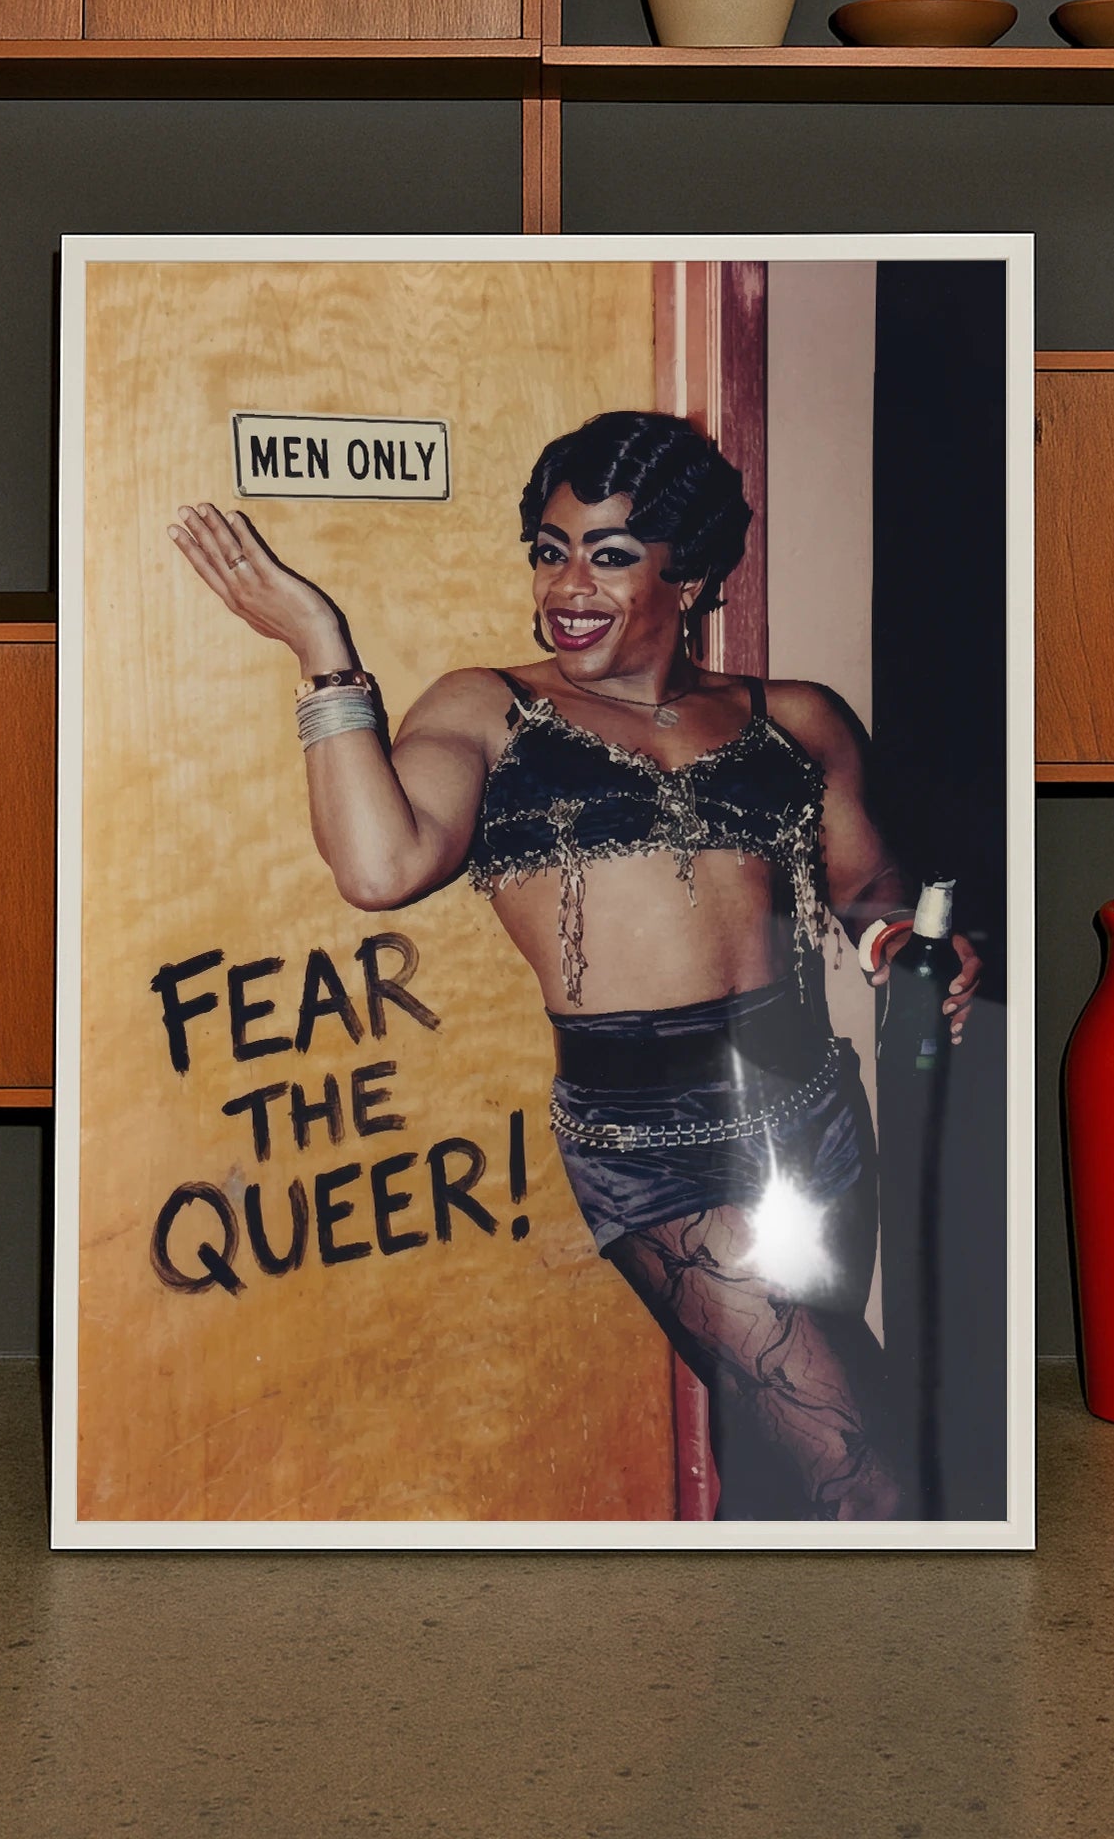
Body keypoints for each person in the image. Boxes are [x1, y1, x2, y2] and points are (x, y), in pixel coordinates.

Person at [168, 410, 981, 1521]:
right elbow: (379, 863)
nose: (567, 585)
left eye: (608, 554)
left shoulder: (793, 717)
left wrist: (900, 944)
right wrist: (320, 644)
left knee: (788, 1449)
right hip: (653, 1147)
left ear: (686, 574)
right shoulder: (490, 707)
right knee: (868, 1471)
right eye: (550, 549)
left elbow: (867, 885)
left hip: (815, 1118)